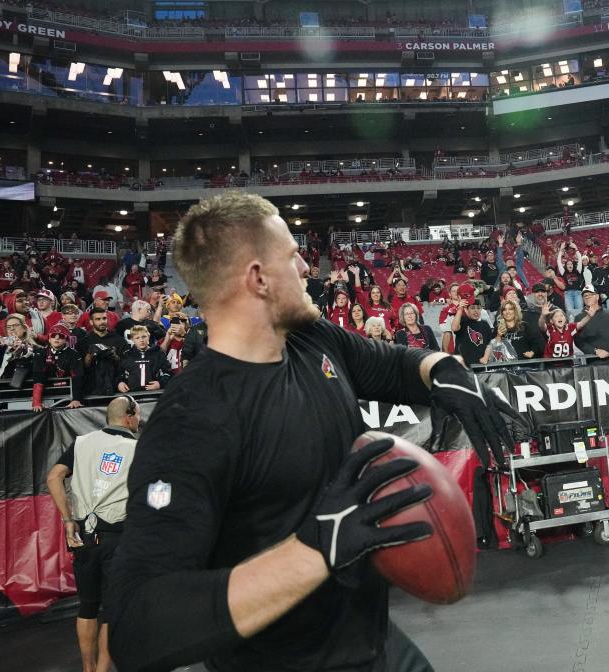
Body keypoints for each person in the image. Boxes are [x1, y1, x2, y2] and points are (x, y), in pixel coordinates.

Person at [108, 192, 518, 672]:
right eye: (292, 256)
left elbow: (397, 366)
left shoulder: (310, 338)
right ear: (258, 278)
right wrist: (314, 550)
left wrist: (447, 371)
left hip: (370, 640)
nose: (308, 268)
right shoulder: (190, 421)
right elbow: (139, 624)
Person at [46, 395, 141, 672]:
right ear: (130, 416)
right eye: (138, 415)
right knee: (113, 612)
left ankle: (88, 669)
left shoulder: (82, 442)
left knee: (87, 606)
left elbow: (53, 477)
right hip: (119, 539)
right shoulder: (139, 449)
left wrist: (67, 520)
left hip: (84, 538)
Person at [32, 323, 85, 410]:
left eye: (60, 336)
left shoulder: (74, 354)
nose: (56, 338)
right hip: (47, 391)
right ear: (49, 339)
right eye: (53, 335)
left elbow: (77, 377)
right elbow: (38, 377)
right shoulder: (40, 353)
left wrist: (76, 399)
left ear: (66, 340)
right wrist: (36, 402)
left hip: (66, 391)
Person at [573, 284, 609, 360]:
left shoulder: (608, 313)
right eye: (585, 296)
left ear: (597, 297)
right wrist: (595, 351)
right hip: (593, 361)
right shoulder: (579, 317)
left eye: (590, 294)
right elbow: (578, 341)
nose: (587, 297)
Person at [84, 308, 126, 397]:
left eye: (104, 318)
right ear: (91, 322)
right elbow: (82, 367)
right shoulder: (84, 342)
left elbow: (125, 363)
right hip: (91, 387)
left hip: (115, 385)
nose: (102, 321)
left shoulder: (119, 340)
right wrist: (90, 355)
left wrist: (115, 357)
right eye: (98, 319)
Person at [117, 325, 172, 392]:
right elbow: (118, 374)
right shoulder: (126, 355)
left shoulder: (158, 354)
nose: (141, 340)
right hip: (132, 394)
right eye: (137, 338)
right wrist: (119, 383)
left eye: (144, 337)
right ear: (132, 339)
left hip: (154, 394)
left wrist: (160, 383)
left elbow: (168, 372)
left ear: (148, 336)